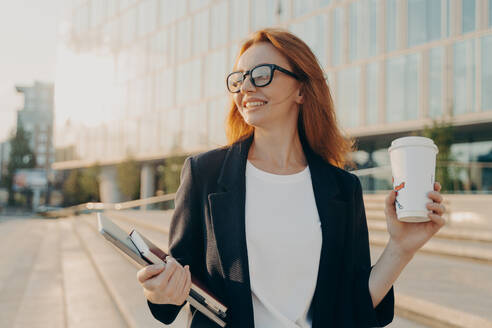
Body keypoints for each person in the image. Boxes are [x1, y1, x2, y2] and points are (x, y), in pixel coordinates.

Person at [136, 28, 446, 328]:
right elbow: (173, 290)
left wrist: (402, 248)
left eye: (261, 75)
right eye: (240, 79)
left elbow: (353, 308)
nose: (246, 87)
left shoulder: (342, 187)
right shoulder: (204, 173)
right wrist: (159, 290)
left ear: (301, 89)